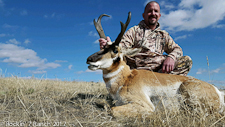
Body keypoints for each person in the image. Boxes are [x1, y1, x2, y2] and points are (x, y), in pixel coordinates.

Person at [99, 1, 192, 76]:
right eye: (150, 11)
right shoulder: (134, 31)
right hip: (137, 75)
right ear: (144, 15)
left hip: (159, 75)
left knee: (186, 61)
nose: (153, 13)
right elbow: (122, 47)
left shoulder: (164, 35)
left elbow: (177, 49)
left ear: (159, 16)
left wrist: (171, 57)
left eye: (156, 11)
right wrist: (109, 46)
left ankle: (162, 90)